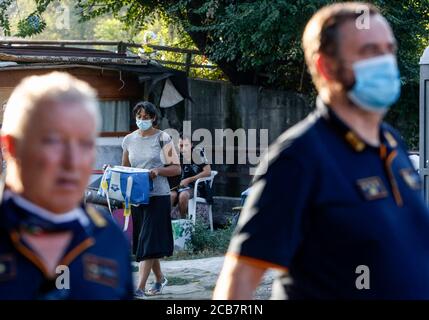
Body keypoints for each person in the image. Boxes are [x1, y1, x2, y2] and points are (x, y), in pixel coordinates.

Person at [214, 2, 429, 300]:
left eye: (388, 49)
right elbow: (237, 283)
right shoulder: (299, 157)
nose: (385, 61)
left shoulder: (392, 142)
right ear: (325, 66)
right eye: (369, 52)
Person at [0, 72, 133, 299]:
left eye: (85, 144)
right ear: (11, 146)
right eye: (53, 141)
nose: (72, 162)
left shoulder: (110, 238)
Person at [122, 101, 180, 299]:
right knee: (145, 242)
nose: (142, 120)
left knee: (147, 241)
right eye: (139, 117)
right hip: (139, 197)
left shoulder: (164, 138)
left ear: (154, 118)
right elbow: (125, 168)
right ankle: (160, 279)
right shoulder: (128, 140)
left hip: (159, 196)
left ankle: (138, 288)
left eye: (146, 117)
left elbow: (176, 168)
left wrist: (158, 170)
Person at [171, 134, 211, 219]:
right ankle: (166, 224)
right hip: (177, 187)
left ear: (192, 145)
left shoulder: (197, 153)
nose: (183, 148)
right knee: (169, 196)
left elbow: (208, 172)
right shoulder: (176, 155)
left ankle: (183, 222)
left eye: (186, 145)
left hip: (196, 187)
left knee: (183, 195)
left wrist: (189, 179)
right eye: (181, 145)